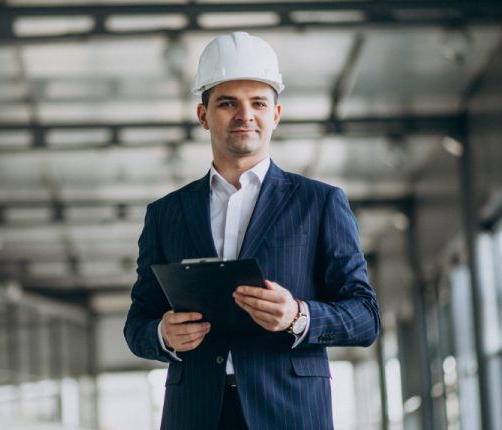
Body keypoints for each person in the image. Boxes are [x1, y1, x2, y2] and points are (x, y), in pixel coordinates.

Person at [124, 31, 380, 430]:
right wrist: (162, 334)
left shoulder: (320, 203)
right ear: (204, 115)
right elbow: (137, 322)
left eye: (258, 102)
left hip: (290, 411)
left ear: (275, 114)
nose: (245, 114)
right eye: (228, 103)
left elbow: (365, 317)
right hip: (195, 414)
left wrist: (299, 316)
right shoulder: (166, 214)